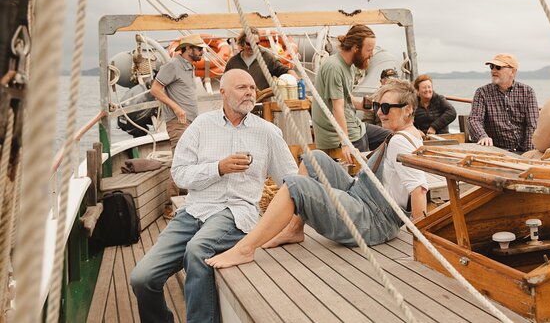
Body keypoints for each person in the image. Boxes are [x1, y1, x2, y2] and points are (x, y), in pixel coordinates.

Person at [131, 69, 298, 323]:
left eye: (252, 88)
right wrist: (218, 168)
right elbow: (179, 174)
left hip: (235, 212)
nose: (250, 93)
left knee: (197, 251)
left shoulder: (267, 132)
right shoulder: (200, 125)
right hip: (194, 210)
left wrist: (296, 222)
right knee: (142, 278)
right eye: (242, 88)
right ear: (223, 93)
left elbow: (291, 181)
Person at [205, 79, 428, 269]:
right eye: (378, 106)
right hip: (363, 195)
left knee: (295, 185)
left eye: (387, 107)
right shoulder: (409, 134)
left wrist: (422, 244)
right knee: (315, 158)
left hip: (372, 219)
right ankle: (295, 228)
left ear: (408, 109)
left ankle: (245, 249)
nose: (380, 112)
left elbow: (418, 190)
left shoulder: (401, 142)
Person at [312, 24, 392, 163]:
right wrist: (346, 143)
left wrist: (367, 105)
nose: (372, 55)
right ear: (356, 48)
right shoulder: (334, 68)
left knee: (393, 137)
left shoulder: (349, 66)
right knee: (366, 171)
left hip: (354, 125)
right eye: (369, 50)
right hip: (338, 135)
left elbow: (347, 99)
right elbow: (337, 108)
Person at [150, 33, 206, 216]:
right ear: (188, 48)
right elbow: (155, 89)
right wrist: (176, 108)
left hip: (190, 122)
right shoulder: (173, 65)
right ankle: (169, 206)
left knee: (191, 160)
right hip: (178, 122)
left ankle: (185, 203)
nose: (201, 52)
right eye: (198, 48)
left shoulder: (188, 67)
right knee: (181, 161)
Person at [468, 53, 539, 153]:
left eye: (498, 67)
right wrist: (482, 137)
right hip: (496, 150)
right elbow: (474, 119)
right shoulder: (482, 92)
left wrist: (528, 154)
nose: (493, 70)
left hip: (522, 151)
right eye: (491, 67)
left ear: (513, 71)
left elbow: (532, 125)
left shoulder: (527, 92)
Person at [224, 26, 297, 91]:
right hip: (241, 103)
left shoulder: (267, 57)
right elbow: (225, 82)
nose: (253, 47)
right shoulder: (233, 62)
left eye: (256, 44)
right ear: (242, 43)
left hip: (263, 103)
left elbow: (282, 69)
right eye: (249, 44)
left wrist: (292, 74)